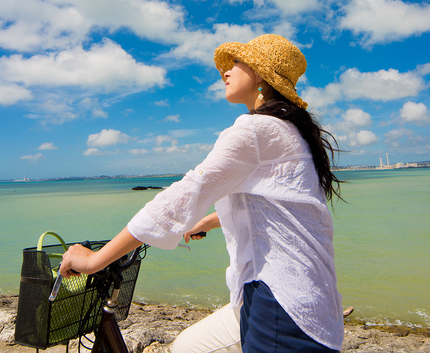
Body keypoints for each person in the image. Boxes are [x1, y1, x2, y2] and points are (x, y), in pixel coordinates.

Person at [60, 34, 344, 353]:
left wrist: (95, 260)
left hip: (281, 306)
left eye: (238, 62)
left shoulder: (256, 130)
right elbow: (275, 210)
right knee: (186, 347)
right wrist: (207, 221)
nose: (226, 71)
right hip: (301, 297)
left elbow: (182, 195)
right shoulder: (291, 133)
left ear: (262, 74)